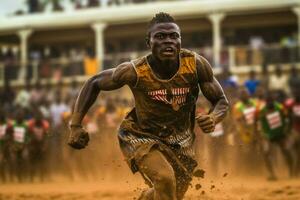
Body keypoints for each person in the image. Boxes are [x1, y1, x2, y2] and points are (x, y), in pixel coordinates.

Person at [68, 12, 229, 200]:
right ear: (149, 42)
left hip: (180, 141)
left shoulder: (196, 65)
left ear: (180, 40)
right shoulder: (134, 71)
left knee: (171, 194)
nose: (168, 41)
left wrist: (213, 117)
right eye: (160, 37)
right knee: (165, 179)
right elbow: (94, 82)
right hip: (139, 135)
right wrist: (75, 125)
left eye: (174, 36)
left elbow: (221, 101)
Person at [255, 93, 294, 180]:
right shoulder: (261, 110)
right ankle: (272, 174)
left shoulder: (280, 107)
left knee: (286, 151)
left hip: (280, 134)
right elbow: (256, 121)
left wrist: (287, 130)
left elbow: (289, 117)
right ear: (265, 102)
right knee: (266, 152)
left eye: (271, 101)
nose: (270, 103)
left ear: (274, 101)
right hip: (268, 135)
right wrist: (258, 134)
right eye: (268, 101)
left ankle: (291, 172)